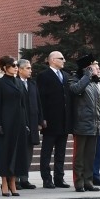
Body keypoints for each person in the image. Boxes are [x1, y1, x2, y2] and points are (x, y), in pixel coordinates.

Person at [0, 56, 29, 197]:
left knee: (17, 153)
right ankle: (4, 181)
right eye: (13, 65)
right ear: (5, 68)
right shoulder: (0, 83)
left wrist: (26, 123)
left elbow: (23, 105)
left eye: (17, 65)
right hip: (5, 122)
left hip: (19, 122)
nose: (16, 68)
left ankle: (13, 182)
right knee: (5, 153)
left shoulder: (19, 82)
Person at [69, 55, 100, 192]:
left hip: (95, 125)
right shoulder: (77, 79)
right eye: (94, 67)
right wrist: (86, 76)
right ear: (87, 68)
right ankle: (79, 182)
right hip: (81, 124)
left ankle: (88, 181)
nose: (98, 70)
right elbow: (75, 90)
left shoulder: (97, 83)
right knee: (79, 156)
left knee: (90, 155)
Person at [36, 51, 71, 189]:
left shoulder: (66, 76)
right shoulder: (44, 76)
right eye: (61, 58)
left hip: (64, 121)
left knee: (61, 152)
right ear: (52, 60)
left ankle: (59, 178)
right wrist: (42, 118)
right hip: (50, 120)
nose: (64, 60)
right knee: (47, 151)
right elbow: (40, 99)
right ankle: (46, 178)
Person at [17, 59, 42, 190]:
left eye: (30, 68)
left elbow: (38, 103)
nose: (30, 70)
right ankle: (15, 179)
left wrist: (40, 121)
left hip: (32, 123)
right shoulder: (15, 83)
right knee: (18, 152)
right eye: (27, 68)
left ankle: (24, 179)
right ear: (20, 69)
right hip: (20, 123)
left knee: (28, 152)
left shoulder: (32, 84)